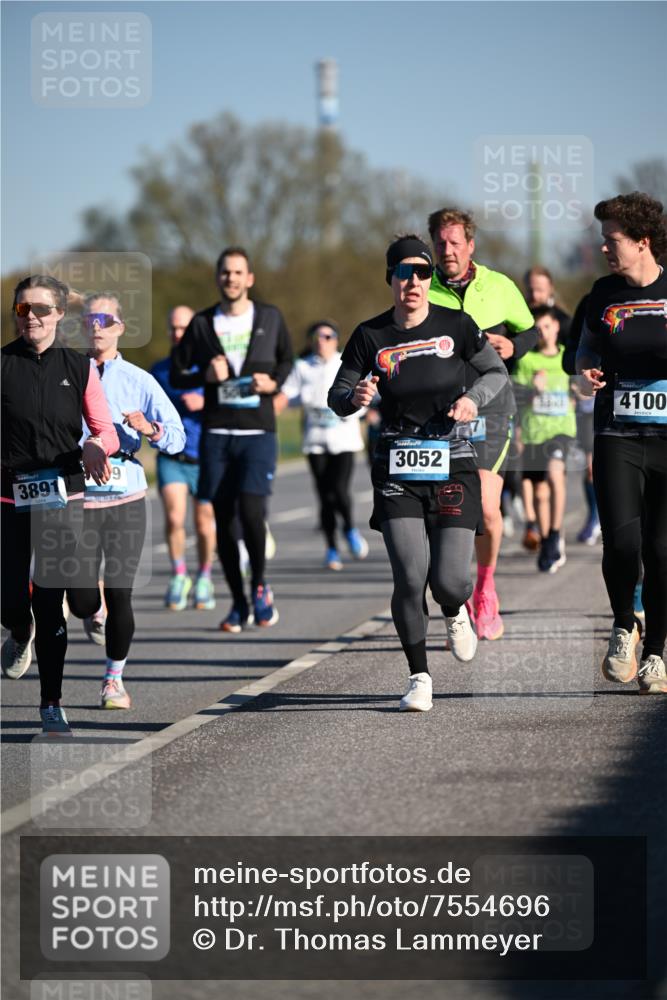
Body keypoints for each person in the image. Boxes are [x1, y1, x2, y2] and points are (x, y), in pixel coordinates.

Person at [328, 235, 509, 712]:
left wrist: (473, 400)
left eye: (422, 273)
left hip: (453, 461)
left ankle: (454, 609)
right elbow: (339, 392)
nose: (413, 282)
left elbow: (495, 374)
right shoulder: (371, 335)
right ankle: (419, 676)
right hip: (397, 467)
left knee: (448, 580)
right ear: (389, 277)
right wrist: (354, 399)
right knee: (410, 577)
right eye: (404, 272)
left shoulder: (458, 325)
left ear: (430, 280)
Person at [1, 276, 119, 735]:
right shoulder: (4, 364)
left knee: (53, 601)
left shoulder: (79, 366)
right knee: (11, 600)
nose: (32, 317)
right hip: (9, 494)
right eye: (23, 309)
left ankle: (51, 701)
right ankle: (19, 630)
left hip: (62, 496)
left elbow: (104, 429)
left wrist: (97, 448)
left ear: (59, 316)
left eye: (42, 310)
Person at [67, 293, 185, 710]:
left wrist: (150, 428)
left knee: (120, 593)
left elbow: (177, 436)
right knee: (82, 598)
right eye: (88, 319)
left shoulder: (139, 380)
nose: (96, 325)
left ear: (120, 327)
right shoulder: (64, 374)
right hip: (77, 494)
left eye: (104, 318)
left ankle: (113, 679)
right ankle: (90, 610)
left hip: (125, 494)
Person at [427, 208, 537, 640]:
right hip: (443, 415)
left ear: (471, 245)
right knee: (448, 511)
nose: (448, 250)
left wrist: (513, 345)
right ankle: (453, 590)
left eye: (455, 243)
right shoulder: (424, 287)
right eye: (441, 243)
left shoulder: (500, 286)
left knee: (488, 512)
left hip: (491, 409)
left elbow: (527, 331)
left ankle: (486, 588)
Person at [170, 246, 293, 632]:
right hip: (217, 434)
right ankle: (238, 603)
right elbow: (176, 374)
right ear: (218, 278)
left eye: (238, 272)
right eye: (225, 272)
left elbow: (287, 361)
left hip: (257, 433)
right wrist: (204, 376)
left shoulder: (270, 317)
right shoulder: (203, 324)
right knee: (223, 520)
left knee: (253, 513)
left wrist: (273, 383)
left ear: (249, 278)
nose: (231, 279)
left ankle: (259, 587)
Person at [576, 191, 667, 695]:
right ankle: (623, 624)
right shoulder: (603, 293)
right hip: (617, 432)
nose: (605, 248)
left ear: (642, 242)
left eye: (613, 240)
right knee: (624, 541)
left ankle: (656, 653)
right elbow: (587, 348)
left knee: (661, 549)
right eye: (603, 239)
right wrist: (584, 372)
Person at [275, 320, 368, 570]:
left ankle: (349, 528)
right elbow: (288, 395)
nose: (322, 341)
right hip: (315, 440)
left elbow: (364, 398)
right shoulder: (302, 367)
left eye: (328, 337)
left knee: (339, 490)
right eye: (317, 337)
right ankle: (331, 547)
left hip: (344, 440)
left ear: (336, 340)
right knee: (324, 496)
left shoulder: (346, 363)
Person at [151, 306, 217, 611]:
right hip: (171, 456)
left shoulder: (212, 367)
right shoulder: (160, 371)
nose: (178, 334)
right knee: (175, 518)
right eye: (173, 328)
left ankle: (204, 576)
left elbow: (235, 400)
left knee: (204, 523)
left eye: (184, 328)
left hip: (205, 455)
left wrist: (207, 399)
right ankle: (179, 574)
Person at [513, 306, 576, 573]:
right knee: (539, 490)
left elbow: (579, 388)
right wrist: (532, 390)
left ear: (557, 328)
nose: (543, 333)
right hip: (533, 432)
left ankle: (555, 531)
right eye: (538, 329)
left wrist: (580, 391)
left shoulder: (566, 359)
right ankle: (546, 535)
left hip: (560, 431)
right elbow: (514, 396)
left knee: (555, 473)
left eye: (547, 327)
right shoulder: (527, 361)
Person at [524, 265, 572, 345]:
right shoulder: (517, 317)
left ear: (550, 289)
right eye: (530, 290)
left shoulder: (564, 322)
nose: (534, 295)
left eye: (540, 290)